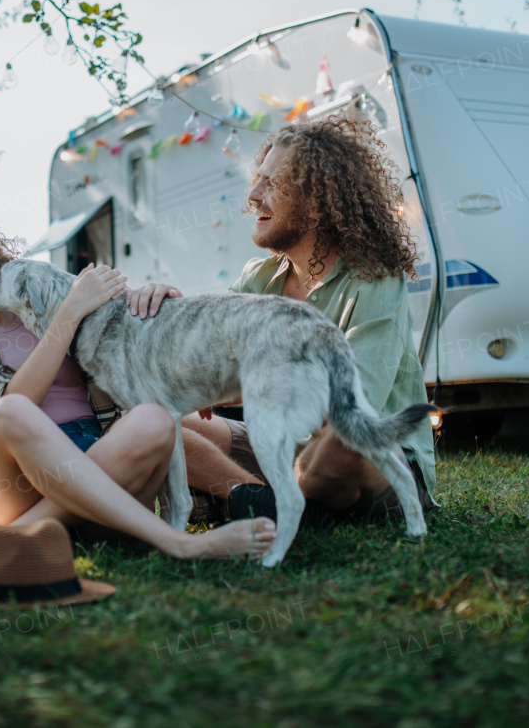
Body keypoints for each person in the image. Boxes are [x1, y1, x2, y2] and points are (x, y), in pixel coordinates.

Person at [0, 212, 276, 560]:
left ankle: (5, 541)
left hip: (99, 475)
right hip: (15, 485)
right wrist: (69, 315)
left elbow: (134, 341)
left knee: (152, 419)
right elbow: (16, 402)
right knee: (12, 412)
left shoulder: (48, 297)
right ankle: (177, 543)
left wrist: (156, 301)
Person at [125, 112, 436, 526]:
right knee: (148, 416)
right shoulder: (259, 277)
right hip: (281, 448)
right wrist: (168, 305)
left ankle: (269, 502)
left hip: (363, 456)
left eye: (272, 183)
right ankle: (260, 502)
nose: (253, 194)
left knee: (342, 442)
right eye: (259, 179)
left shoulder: (374, 278)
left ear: (318, 196)